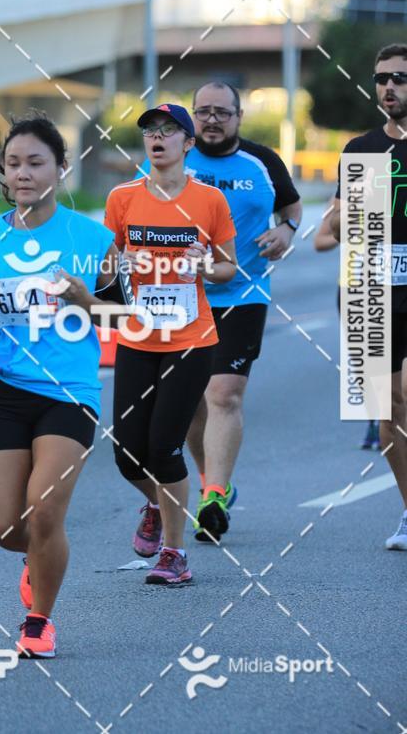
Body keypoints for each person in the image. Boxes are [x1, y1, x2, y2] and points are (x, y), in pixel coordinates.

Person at [0, 112, 122, 658]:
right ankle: (38, 555)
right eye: (13, 163)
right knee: (4, 526)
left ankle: (39, 620)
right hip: (4, 386)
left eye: (35, 162)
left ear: (62, 167)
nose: (22, 173)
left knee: (45, 510)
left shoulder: (95, 239)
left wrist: (85, 301)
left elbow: (124, 319)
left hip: (70, 390)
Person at [138, 84, 301, 544]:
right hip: (181, 298)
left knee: (224, 393)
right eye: (203, 112)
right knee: (190, 405)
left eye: (221, 113)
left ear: (239, 116)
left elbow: (291, 206)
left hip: (243, 294)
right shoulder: (175, 157)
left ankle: (210, 495)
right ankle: (216, 482)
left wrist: (287, 229)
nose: (212, 120)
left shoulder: (262, 162)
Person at [105, 103, 237, 585]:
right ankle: (157, 504)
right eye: (149, 132)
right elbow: (104, 269)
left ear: (188, 143)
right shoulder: (122, 198)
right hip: (138, 336)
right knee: (125, 451)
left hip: (191, 338)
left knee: (163, 448)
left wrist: (204, 265)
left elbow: (228, 267)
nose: (157, 138)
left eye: (168, 131)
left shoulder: (209, 201)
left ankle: (174, 554)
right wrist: (123, 260)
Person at [330, 43, 407, 550]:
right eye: (382, 78)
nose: (389, 88)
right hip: (376, 295)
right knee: (388, 414)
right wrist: (344, 216)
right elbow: (339, 226)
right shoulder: (361, 150)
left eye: (400, 78)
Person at [314, 198, 380, 450]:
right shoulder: (343, 201)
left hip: (392, 286)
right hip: (353, 286)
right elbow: (319, 242)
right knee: (362, 359)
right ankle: (376, 418)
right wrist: (347, 233)